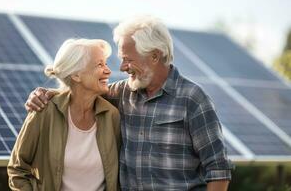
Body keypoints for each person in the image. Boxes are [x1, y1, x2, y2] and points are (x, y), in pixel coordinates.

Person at [25, 15, 233, 190]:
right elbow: (80, 92)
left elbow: (218, 169)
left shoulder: (193, 99)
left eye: (128, 59)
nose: (123, 67)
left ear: (154, 56)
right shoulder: (120, 93)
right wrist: (46, 94)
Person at [8, 38, 121, 191]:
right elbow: (17, 169)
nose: (108, 70)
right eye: (100, 64)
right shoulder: (44, 110)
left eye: (106, 64)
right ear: (76, 75)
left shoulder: (112, 115)